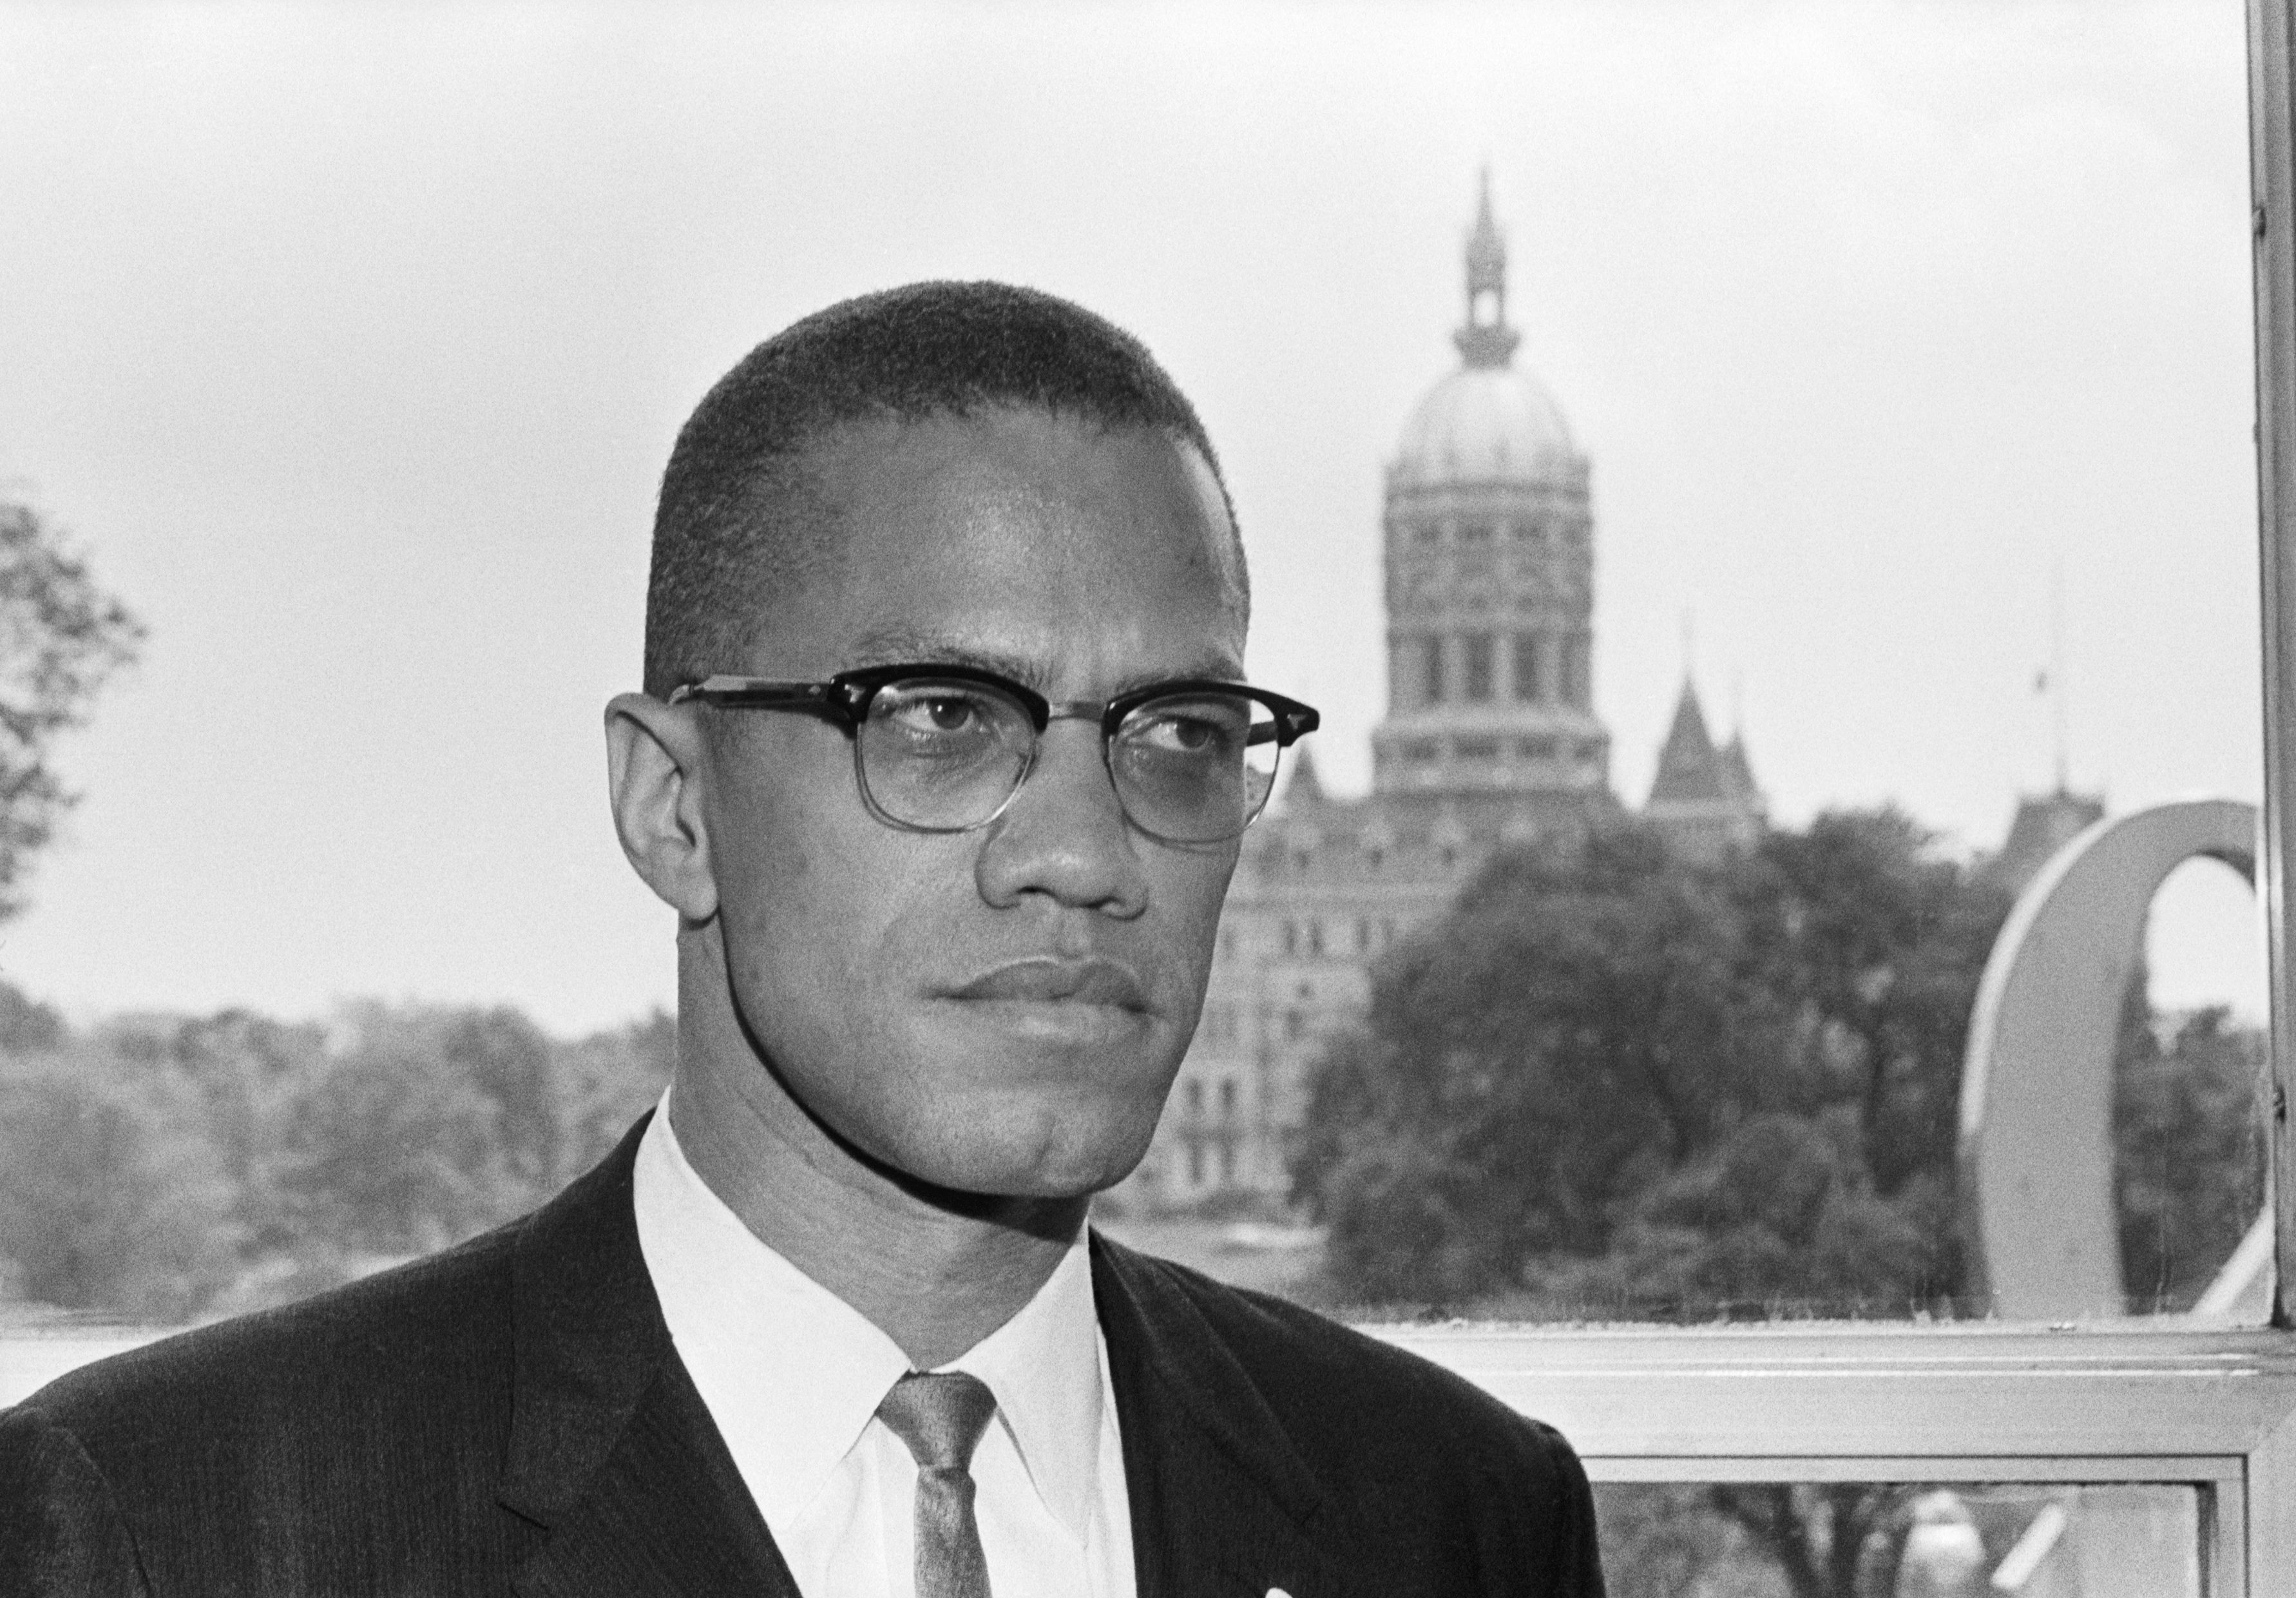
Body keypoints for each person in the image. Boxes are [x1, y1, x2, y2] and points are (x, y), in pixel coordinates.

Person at [0, 282, 1604, 1596]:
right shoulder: (174, 1528)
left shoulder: (1460, 1518)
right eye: (940, 718)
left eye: (1178, 730)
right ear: (673, 807)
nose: (1083, 851)